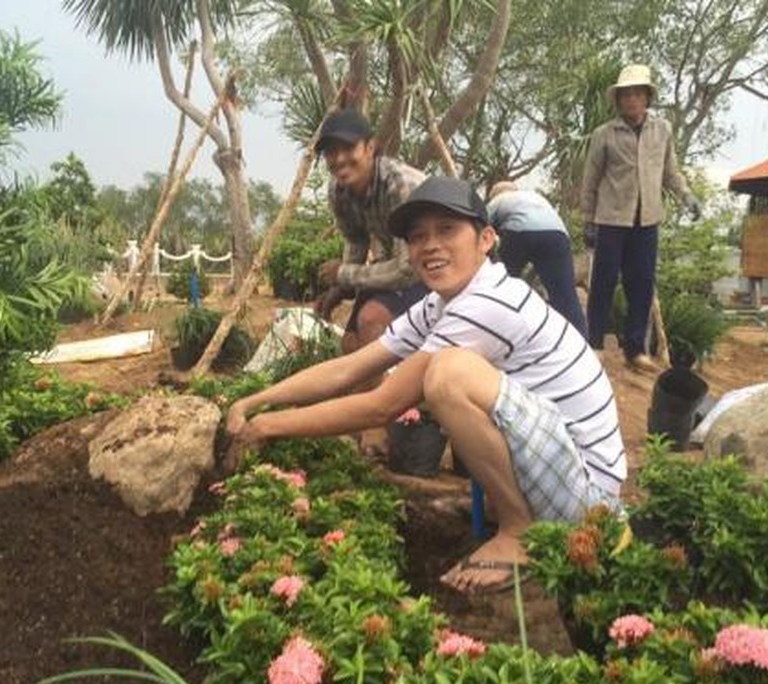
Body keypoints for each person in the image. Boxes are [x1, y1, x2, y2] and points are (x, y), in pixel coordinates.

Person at [227, 176, 626, 592]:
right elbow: (351, 368)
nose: (430, 245)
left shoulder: (489, 302)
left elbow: (381, 406)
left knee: (448, 374)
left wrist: (268, 426)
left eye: (447, 230)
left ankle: (519, 530)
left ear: (486, 239)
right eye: (417, 237)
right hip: (561, 469)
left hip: (589, 501)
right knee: (446, 371)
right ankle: (511, 509)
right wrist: (257, 401)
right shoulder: (441, 302)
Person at [581, 64, 701, 374]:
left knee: (641, 286)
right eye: (626, 95)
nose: (632, 100)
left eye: (637, 94)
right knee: (603, 284)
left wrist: (687, 196)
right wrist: (587, 221)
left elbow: (670, 172)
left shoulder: (662, 131)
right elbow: (590, 180)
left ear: (647, 97)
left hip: (647, 222)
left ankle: (635, 350)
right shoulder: (604, 135)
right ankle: (594, 344)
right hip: (611, 221)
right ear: (618, 101)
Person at [312, 108, 428, 354]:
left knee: (372, 320)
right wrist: (339, 289)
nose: (340, 158)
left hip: (433, 267)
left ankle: (386, 392)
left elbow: (408, 270)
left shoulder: (399, 186)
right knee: (351, 344)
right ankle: (365, 390)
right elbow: (355, 240)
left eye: (348, 148)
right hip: (399, 265)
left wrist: (344, 274)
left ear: (370, 147)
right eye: (331, 152)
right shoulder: (339, 190)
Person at [486, 181, 588, 335]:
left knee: (500, 284)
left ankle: (495, 331)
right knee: (565, 295)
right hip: (557, 235)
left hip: (519, 232)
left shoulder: (498, 200)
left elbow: (480, 229)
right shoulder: (535, 197)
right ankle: (581, 342)